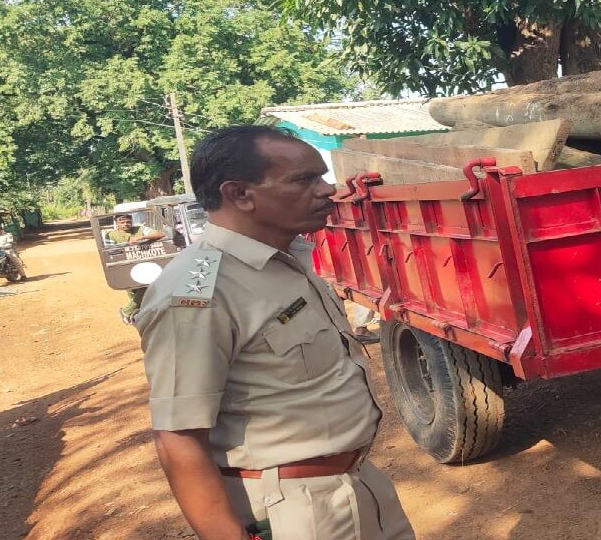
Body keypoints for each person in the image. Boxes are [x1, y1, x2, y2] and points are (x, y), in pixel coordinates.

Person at [134, 125, 414, 540]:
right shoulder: (196, 294)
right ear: (239, 194)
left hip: (357, 483)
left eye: (322, 177)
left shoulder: (289, 256)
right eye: (304, 180)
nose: (328, 190)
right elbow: (178, 437)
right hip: (294, 511)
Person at [107, 214, 167, 325]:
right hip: (125, 267)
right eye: (122, 222)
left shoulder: (140, 229)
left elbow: (160, 234)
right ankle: (134, 313)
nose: (126, 224)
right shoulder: (111, 235)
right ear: (116, 223)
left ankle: (128, 312)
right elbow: (109, 253)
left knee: (150, 285)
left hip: (144, 265)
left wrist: (142, 237)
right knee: (133, 290)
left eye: (128, 222)